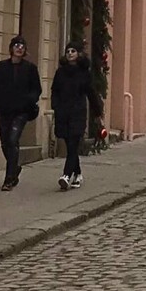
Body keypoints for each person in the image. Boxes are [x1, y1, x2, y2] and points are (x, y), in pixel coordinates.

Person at [0, 35, 42, 191]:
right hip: (4, 110)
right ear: (11, 48)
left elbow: (36, 89)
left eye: (22, 46)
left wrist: (28, 101)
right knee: (5, 142)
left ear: (25, 50)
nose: (19, 48)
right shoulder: (1, 67)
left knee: (13, 140)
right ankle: (15, 167)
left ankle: (9, 178)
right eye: (16, 45)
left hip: (21, 111)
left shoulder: (30, 69)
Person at [50, 40, 105, 191]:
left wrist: (97, 112)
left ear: (79, 54)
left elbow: (91, 93)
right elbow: (54, 90)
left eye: (73, 51)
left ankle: (66, 176)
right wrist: (55, 105)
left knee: (73, 143)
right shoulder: (60, 72)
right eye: (68, 51)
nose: (69, 54)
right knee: (70, 146)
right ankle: (78, 174)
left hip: (78, 112)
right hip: (63, 112)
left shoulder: (83, 73)